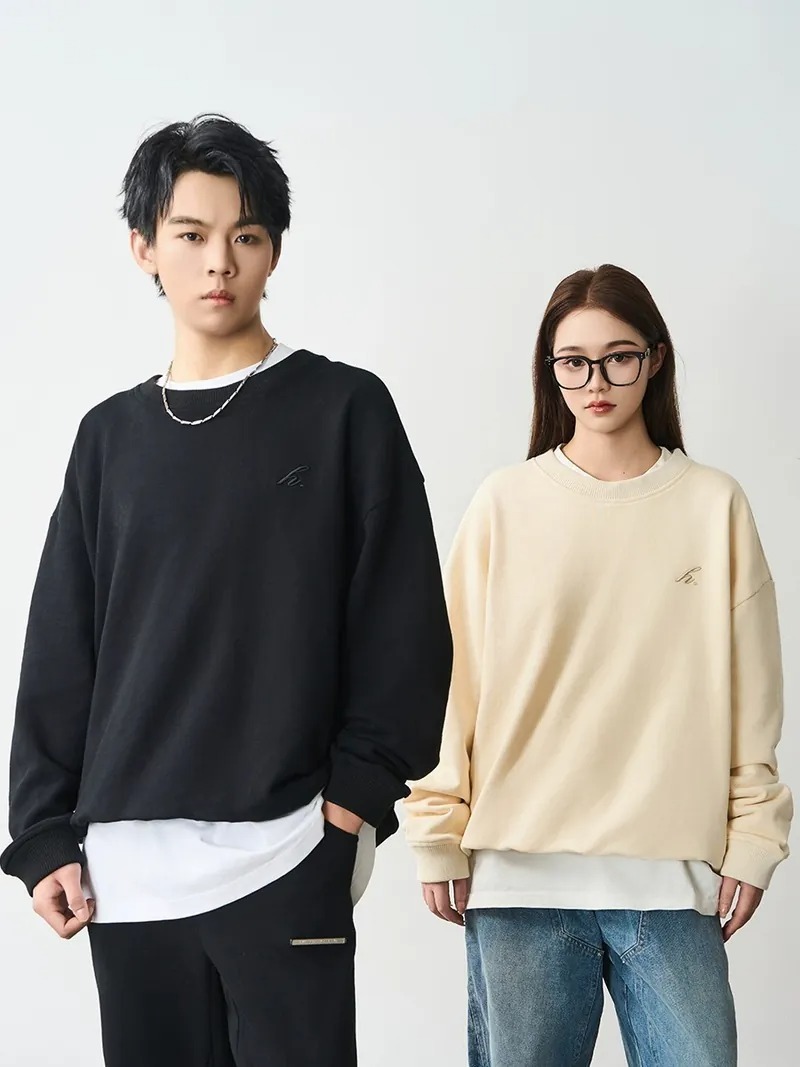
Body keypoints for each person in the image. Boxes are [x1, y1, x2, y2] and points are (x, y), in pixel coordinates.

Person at [1, 114, 453, 1067]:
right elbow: (62, 646)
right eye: (192, 234)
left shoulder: (344, 409)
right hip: (126, 876)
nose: (219, 262)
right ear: (144, 248)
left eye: (245, 235)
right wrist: (42, 832)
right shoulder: (108, 438)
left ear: (274, 249)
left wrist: (353, 804)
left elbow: (404, 626)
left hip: (285, 851)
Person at [404, 264, 792, 1066]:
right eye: (573, 362)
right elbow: (451, 684)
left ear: (655, 358)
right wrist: (436, 828)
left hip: (673, 882)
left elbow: (754, 694)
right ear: (550, 369)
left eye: (618, 358)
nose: (596, 382)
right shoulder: (505, 503)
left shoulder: (713, 504)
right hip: (518, 882)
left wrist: (756, 835)